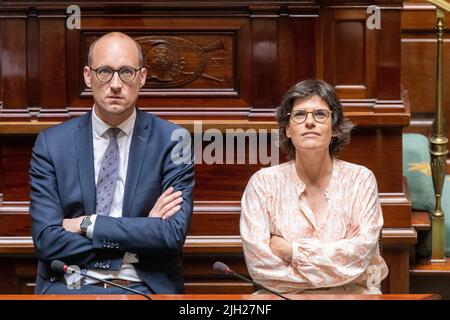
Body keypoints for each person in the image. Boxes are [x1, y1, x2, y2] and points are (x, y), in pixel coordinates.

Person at [29, 32, 194, 295]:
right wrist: (138, 236)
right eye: (105, 71)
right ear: (88, 75)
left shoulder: (173, 142)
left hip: (143, 287)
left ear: (142, 77)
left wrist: (89, 224)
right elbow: (47, 241)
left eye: (126, 72)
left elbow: (171, 234)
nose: (115, 84)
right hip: (69, 287)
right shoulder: (51, 144)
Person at [240, 79, 388, 294]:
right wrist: (336, 268)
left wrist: (292, 252)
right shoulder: (263, 184)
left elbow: (360, 257)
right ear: (288, 130)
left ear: (335, 128)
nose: (309, 122)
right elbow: (260, 267)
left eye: (320, 114)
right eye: (299, 115)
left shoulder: (360, 180)